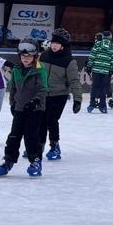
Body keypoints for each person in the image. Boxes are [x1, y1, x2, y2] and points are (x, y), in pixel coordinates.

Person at [0, 41, 50, 177]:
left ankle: (35, 161)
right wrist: (12, 103)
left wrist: (35, 101)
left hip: (35, 109)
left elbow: (43, 89)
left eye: (29, 56)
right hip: (19, 108)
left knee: (31, 137)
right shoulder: (16, 69)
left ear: (35, 56)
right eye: (23, 56)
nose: (25, 59)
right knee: (14, 136)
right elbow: (13, 88)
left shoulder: (39, 69)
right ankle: (8, 160)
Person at [39, 29, 76, 159]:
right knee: (41, 120)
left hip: (59, 95)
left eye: (57, 44)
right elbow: (36, 73)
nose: (54, 46)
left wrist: (77, 99)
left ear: (63, 45)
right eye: (53, 43)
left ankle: (55, 146)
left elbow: (74, 80)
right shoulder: (44, 56)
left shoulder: (68, 60)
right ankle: (38, 146)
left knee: (52, 120)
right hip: (43, 94)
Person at [87, 30, 113, 112]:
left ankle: (92, 104)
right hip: (105, 71)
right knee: (103, 88)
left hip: (96, 70)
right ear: (110, 37)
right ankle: (103, 106)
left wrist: (89, 66)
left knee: (95, 87)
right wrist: (111, 70)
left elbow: (92, 55)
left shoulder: (97, 44)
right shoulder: (111, 47)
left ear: (102, 36)